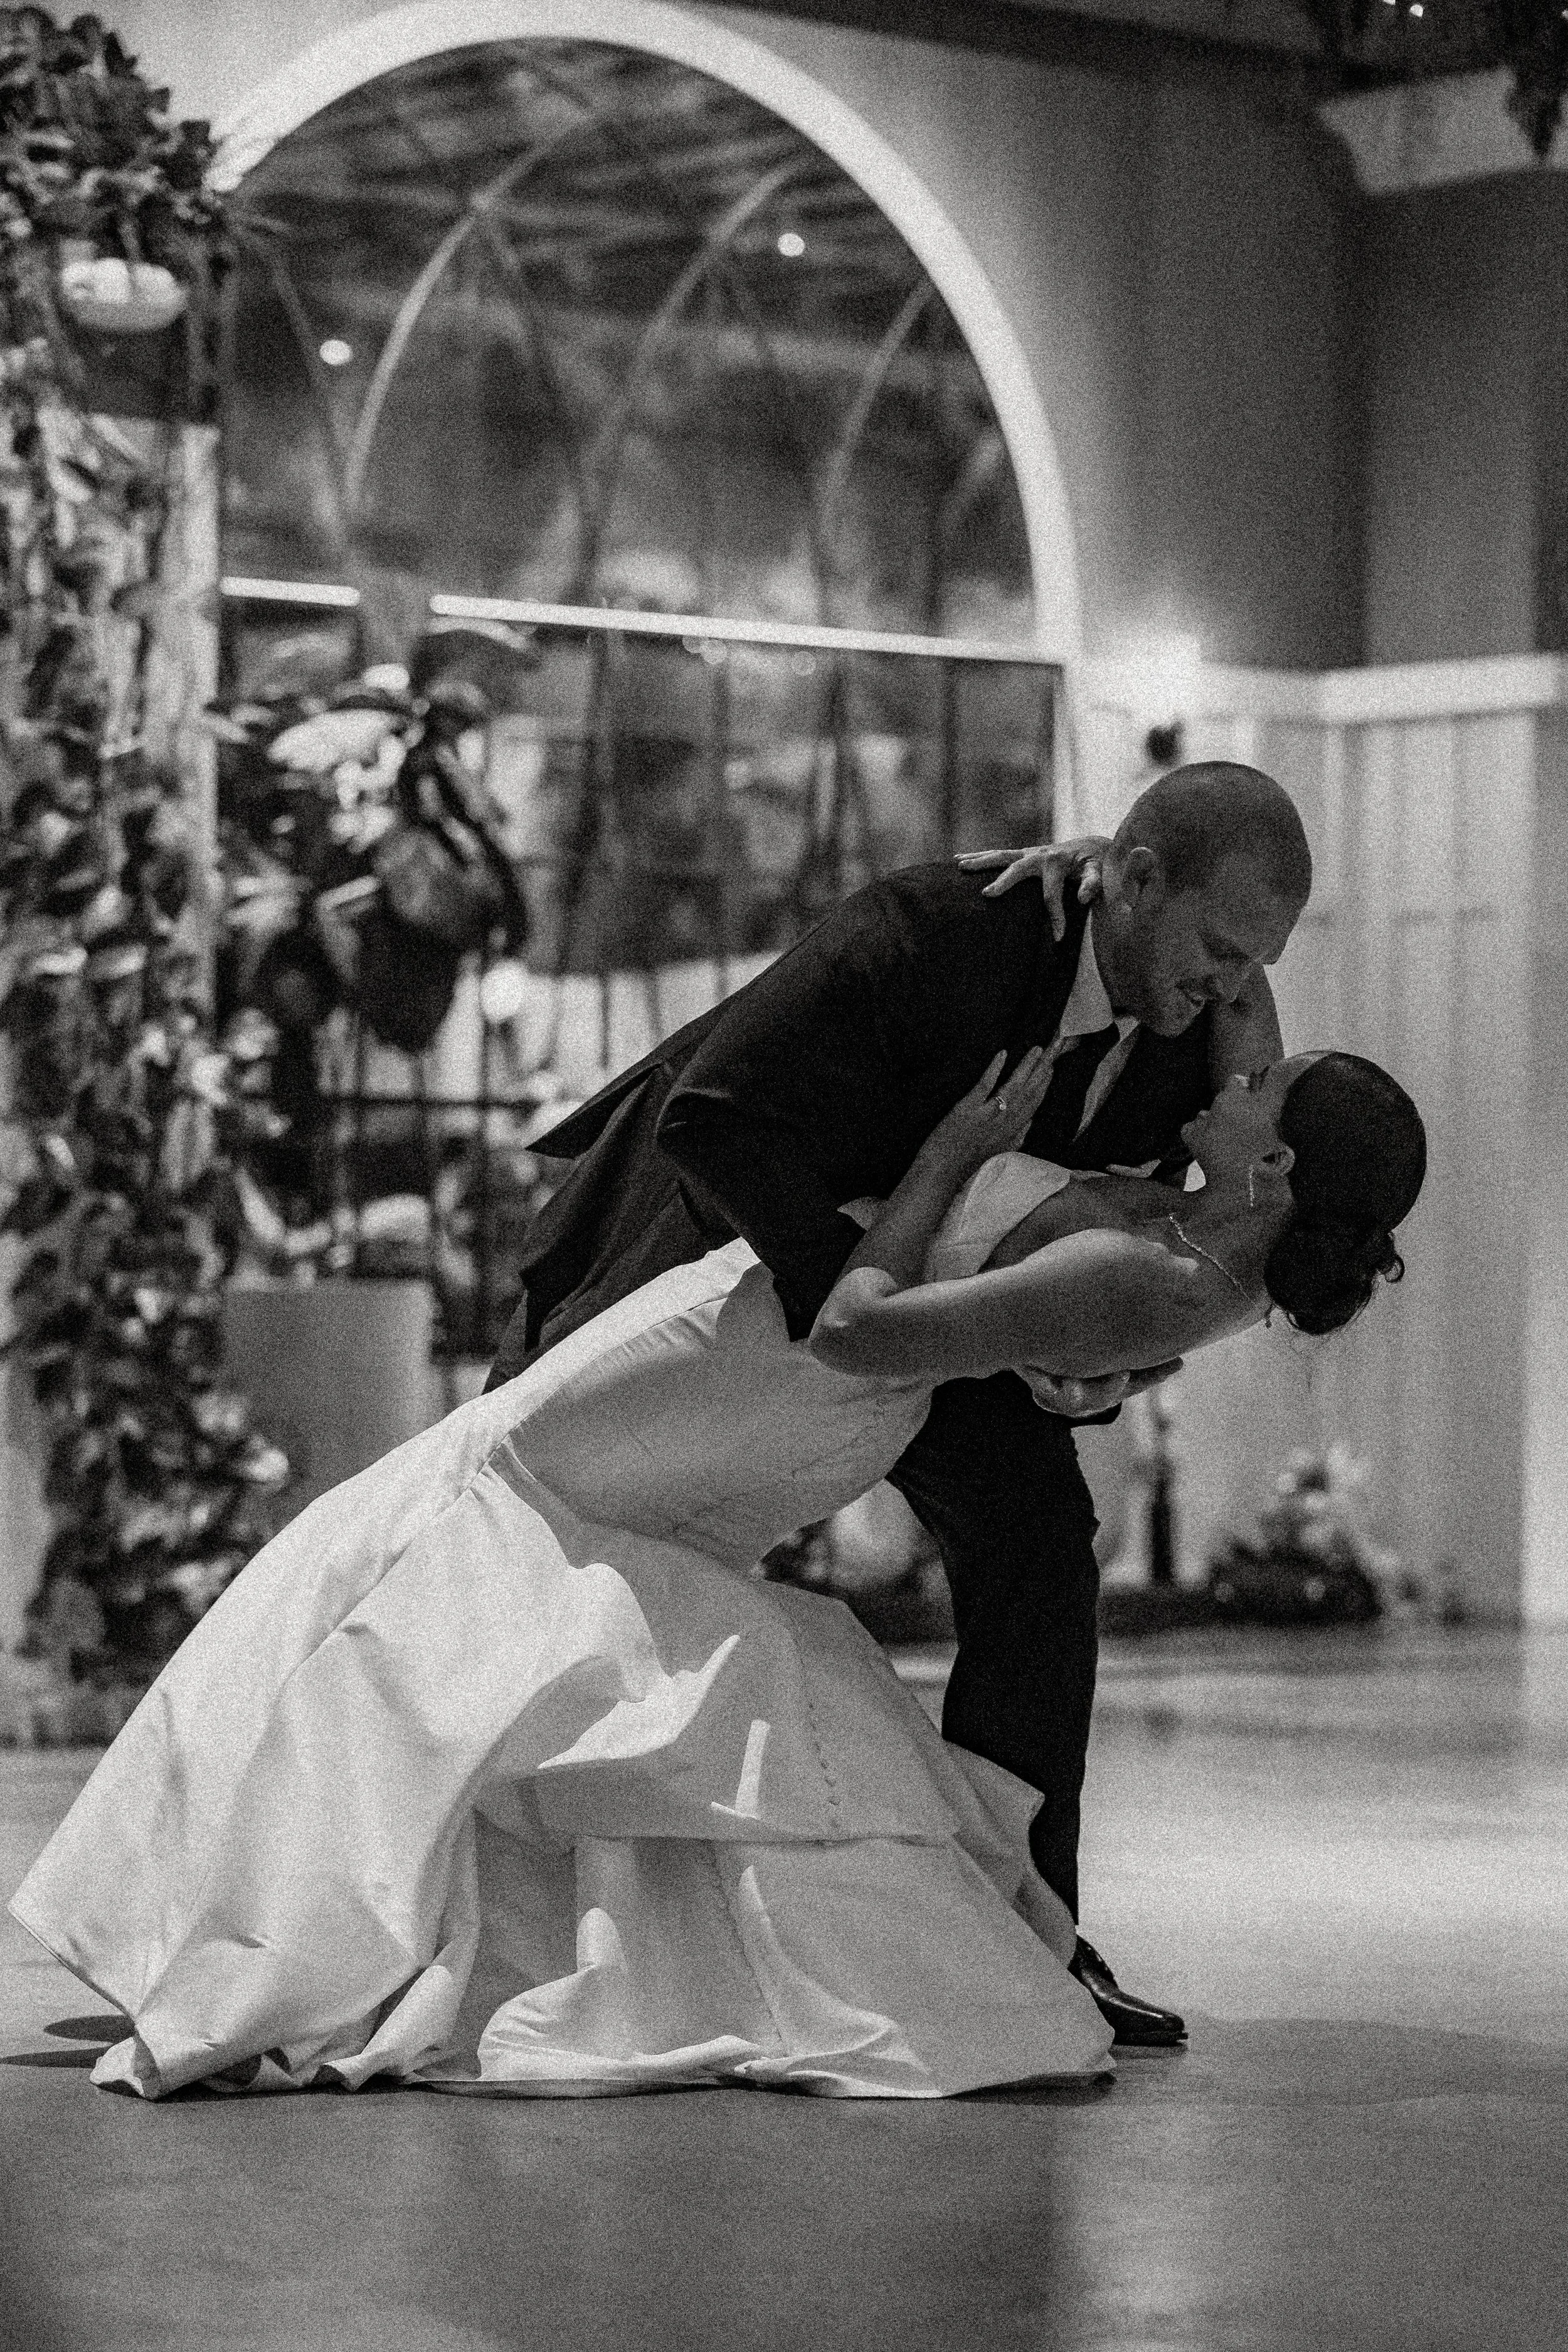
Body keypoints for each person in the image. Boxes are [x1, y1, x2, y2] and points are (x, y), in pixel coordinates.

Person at [10, 1037, 1425, 2100]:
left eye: (1264, 1083)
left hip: (783, 1359)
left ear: (1279, 1168)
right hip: (769, 1372)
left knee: (508, 1490)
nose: (1237, 1057)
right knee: (508, 1503)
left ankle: (302, 1912)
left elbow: (866, 1329)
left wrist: (953, 1144)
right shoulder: (1208, 1244)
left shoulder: (1158, 1278)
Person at [482, 761, 1313, 2042]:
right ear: (1137, 879)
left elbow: (1071, 1273)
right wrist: (852, 1323)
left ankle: (1025, 1939)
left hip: (904, 1314)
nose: (1231, 989)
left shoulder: (1187, 1041)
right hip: (720, 1261)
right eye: (1217, 948)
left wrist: (1062, 1370)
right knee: (539, 1562)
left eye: (1255, 964)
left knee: (1038, 1548)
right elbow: (718, 1118)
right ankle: (522, 1914)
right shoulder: (935, 933)